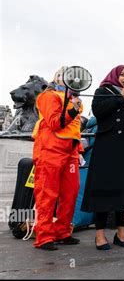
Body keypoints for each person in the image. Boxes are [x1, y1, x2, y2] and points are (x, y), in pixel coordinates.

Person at [81, 65, 124, 250]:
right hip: (108, 146)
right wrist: (120, 98)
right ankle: (99, 234)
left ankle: (121, 232)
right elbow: (99, 111)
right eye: (123, 74)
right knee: (103, 188)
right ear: (115, 75)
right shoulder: (103, 90)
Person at [31, 66, 83, 250]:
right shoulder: (48, 96)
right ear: (58, 77)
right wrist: (73, 110)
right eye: (67, 75)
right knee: (47, 192)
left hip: (70, 151)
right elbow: (54, 123)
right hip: (50, 150)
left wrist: (78, 149)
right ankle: (44, 236)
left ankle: (62, 232)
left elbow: (74, 128)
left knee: (71, 192)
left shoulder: (74, 100)